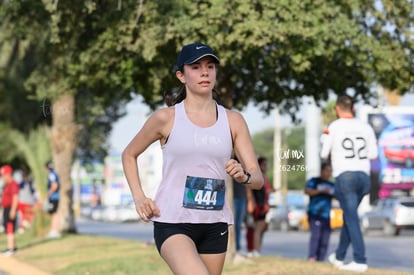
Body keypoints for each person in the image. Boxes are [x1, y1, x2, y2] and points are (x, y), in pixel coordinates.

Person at [122, 42, 263, 275]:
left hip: (215, 223)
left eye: (210, 66)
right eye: (196, 67)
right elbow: (129, 154)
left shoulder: (233, 121)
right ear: (181, 75)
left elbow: (257, 178)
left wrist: (244, 175)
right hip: (173, 221)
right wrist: (139, 198)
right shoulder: (165, 118)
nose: (205, 72)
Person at [321, 94, 378, 273]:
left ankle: (360, 260)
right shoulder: (365, 126)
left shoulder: (334, 127)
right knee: (349, 216)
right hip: (363, 177)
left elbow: (323, 153)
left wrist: (327, 142)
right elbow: (373, 154)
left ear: (337, 108)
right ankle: (339, 256)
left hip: (345, 176)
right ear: (352, 108)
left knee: (351, 218)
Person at [305, 162, 335, 262]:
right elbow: (307, 191)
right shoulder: (315, 181)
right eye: (327, 171)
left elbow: (338, 196)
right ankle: (312, 257)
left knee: (325, 238)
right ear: (322, 170)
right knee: (316, 236)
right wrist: (321, 191)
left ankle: (321, 259)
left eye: (330, 171)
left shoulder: (332, 185)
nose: (329, 173)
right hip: (315, 213)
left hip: (326, 215)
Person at [246, 156, 272, 257]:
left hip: (261, 206)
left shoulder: (262, 177)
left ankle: (255, 250)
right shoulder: (257, 176)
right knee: (256, 230)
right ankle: (255, 251)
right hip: (258, 206)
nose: (266, 167)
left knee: (259, 229)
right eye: (264, 164)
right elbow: (251, 189)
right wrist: (251, 201)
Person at [0, 165, 19, 256]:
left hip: (10, 208)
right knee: (7, 227)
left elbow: (15, 197)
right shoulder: (6, 185)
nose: (3, 177)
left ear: (8, 174)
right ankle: (10, 246)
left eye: (4, 175)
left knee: (10, 227)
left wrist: (13, 210)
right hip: (6, 208)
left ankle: (11, 248)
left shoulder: (13, 184)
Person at [45, 161, 61, 238]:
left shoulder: (52, 174)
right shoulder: (54, 173)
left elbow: (55, 185)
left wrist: (48, 194)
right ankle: (53, 230)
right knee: (54, 213)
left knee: (54, 214)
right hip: (55, 197)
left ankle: (54, 231)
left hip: (54, 197)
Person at [232, 177, 247, 253]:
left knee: (238, 225)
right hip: (232, 198)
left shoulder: (244, 166)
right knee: (232, 225)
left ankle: (238, 247)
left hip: (242, 197)